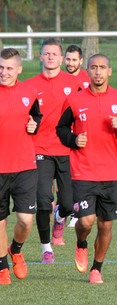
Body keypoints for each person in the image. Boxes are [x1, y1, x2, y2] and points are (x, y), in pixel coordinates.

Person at [56, 54, 117, 284]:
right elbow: (61, 129)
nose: (97, 72)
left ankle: (97, 268)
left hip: (112, 173)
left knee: (105, 225)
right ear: (87, 71)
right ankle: (81, 243)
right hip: (83, 171)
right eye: (93, 67)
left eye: (102, 67)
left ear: (109, 72)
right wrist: (74, 140)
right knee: (86, 222)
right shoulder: (74, 100)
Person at [24, 38, 83, 264]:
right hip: (39, 149)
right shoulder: (29, 85)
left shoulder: (75, 83)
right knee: (42, 200)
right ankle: (46, 248)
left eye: (54, 54)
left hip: (66, 149)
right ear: (40, 57)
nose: (50, 57)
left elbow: (81, 113)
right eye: (46, 53)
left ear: (61, 58)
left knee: (68, 204)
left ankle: (60, 218)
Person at [0, 48, 42, 285]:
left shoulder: (30, 92)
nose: (3, 73)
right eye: (0, 68)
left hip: (25, 165)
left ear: (19, 70)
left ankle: (16, 249)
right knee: (0, 221)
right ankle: (2, 266)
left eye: (8, 68)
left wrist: (34, 124)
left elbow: (37, 117)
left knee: (25, 220)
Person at [64, 45, 89, 228]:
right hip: (62, 133)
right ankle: (60, 208)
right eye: (68, 59)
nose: (70, 63)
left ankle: (76, 211)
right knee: (62, 177)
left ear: (81, 61)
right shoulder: (57, 78)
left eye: (74, 60)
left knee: (77, 175)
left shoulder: (87, 80)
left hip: (81, 135)